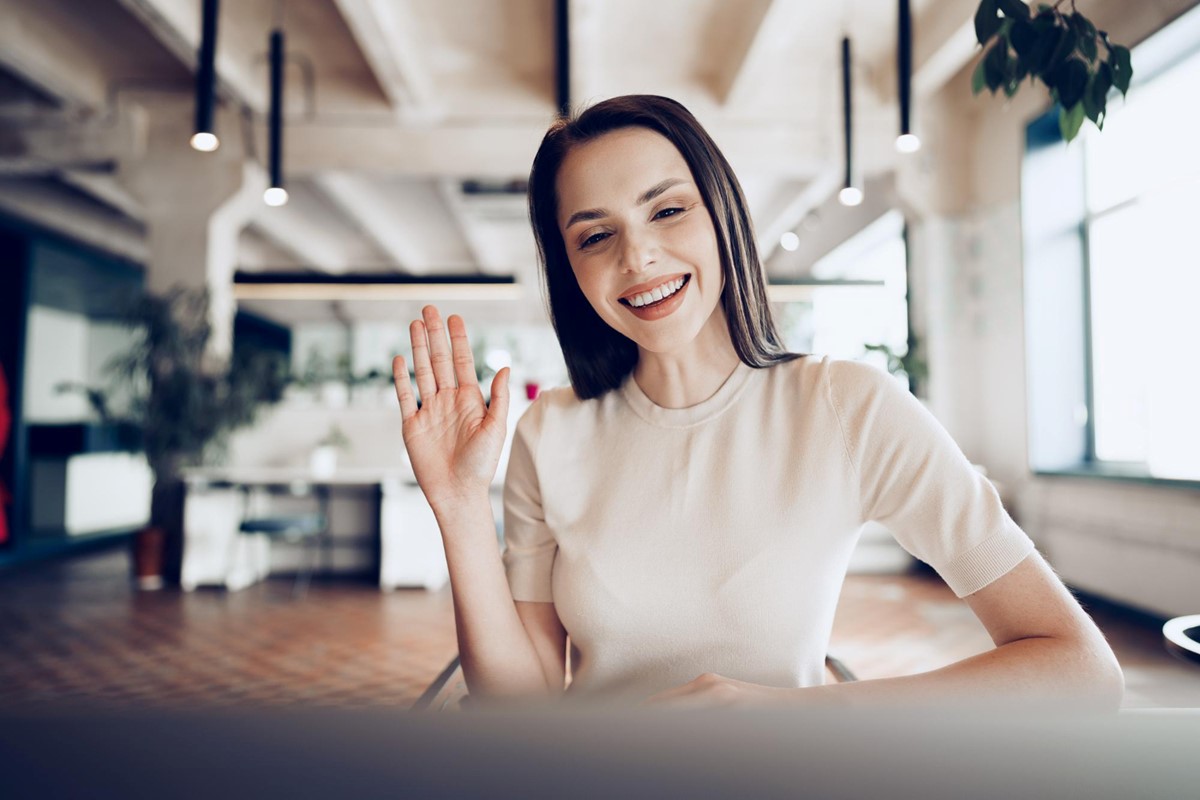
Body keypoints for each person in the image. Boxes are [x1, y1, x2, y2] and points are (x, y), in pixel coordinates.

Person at [391, 95, 1124, 711]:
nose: (637, 256)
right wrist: (458, 507)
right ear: (571, 269)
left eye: (668, 210)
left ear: (723, 215)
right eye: (596, 235)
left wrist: (790, 717)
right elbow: (522, 706)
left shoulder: (848, 406)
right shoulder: (550, 433)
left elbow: (1079, 673)